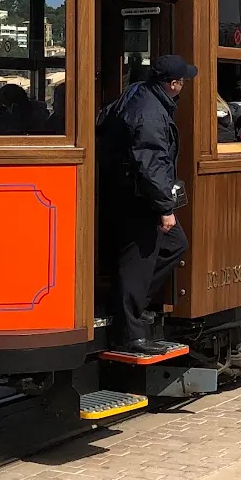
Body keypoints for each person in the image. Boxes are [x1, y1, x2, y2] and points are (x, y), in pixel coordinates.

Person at [96, 53, 195, 356]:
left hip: (126, 193)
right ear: (174, 83)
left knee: (171, 247)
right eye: (184, 82)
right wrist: (165, 207)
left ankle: (129, 310)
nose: (184, 86)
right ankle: (129, 332)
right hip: (138, 199)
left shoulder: (138, 93)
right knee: (139, 261)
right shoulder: (151, 112)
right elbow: (150, 163)